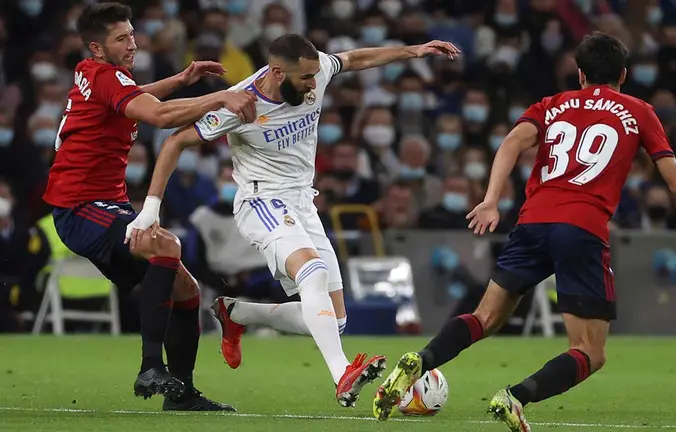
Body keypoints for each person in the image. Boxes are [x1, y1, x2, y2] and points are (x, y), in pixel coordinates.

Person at [372, 32, 676, 430]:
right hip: (582, 228)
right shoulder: (637, 111)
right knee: (590, 351)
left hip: (533, 221)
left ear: (580, 74)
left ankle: (420, 361)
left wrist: (491, 199)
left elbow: (512, 143)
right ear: (624, 74)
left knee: (485, 317)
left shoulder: (552, 105)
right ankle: (516, 397)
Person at [127, 33, 460, 408]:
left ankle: (236, 313)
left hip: (303, 203)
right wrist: (151, 208)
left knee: (333, 323)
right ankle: (342, 373)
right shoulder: (242, 103)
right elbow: (174, 142)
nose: (313, 84)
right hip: (261, 200)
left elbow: (354, 59)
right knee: (313, 273)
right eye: (304, 78)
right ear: (277, 72)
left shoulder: (315, 70)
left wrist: (412, 50)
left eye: (315, 75)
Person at [42, 2, 256, 410]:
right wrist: (220, 97)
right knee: (166, 245)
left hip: (103, 204)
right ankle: (149, 367)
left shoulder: (97, 75)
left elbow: (136, 97)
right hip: (80, 206)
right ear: (97, 47)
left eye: (132, 34)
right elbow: (156, 116)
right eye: (121, 38)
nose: (132, 43)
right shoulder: (105, 76)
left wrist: (182, 78)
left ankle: (181, 394)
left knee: (186, 287)